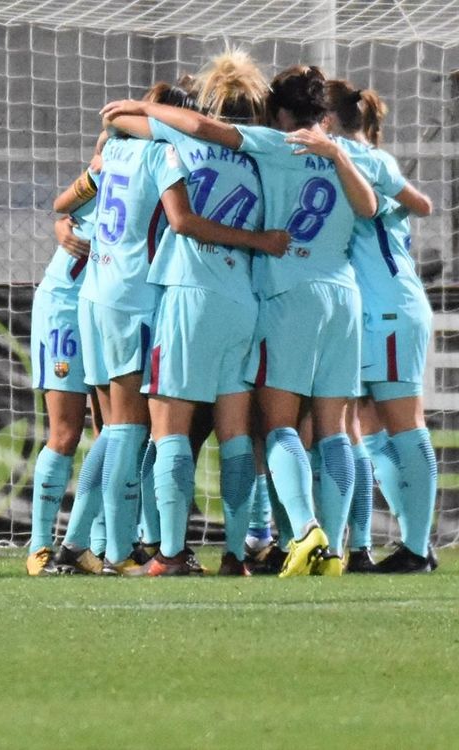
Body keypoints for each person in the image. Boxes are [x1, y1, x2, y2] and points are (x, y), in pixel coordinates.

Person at [104, 64, 396, 577]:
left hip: (234, 294)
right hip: (302, 298)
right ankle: (277, 552)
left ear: (276, 112)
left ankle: (175, 550)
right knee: (308, 432)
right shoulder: (342, 153)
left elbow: (175, 130)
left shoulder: (260, 146)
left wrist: (146, 106)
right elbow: (371, 207)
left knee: (184, 429)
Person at [83, 81, 288, 576]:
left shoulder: (177, 140)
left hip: (188, 295)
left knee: (167, 430)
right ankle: (236, 554)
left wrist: (139, 109)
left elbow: (115, 122)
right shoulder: (265, 157)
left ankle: (169, 552)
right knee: (236, 435)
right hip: (241, 300)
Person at [316, 80, 438, 574]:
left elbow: (421, 203)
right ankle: (399, 540)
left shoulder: (355, 157)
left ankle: (418, 547)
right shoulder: (367, 158)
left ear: (326, 120)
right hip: (369, 308)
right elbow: (416, 204)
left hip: (389, 305)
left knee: (405, 421)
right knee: (366, 424)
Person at [25, 131, 107, 576]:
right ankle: (40, 545)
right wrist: (64, 219)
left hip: (113, 308)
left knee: (113, 431)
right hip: (67, 306)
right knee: (65, 431)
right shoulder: (104, 171)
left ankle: (98, 544)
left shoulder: (160, 176)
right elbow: (62, 205)